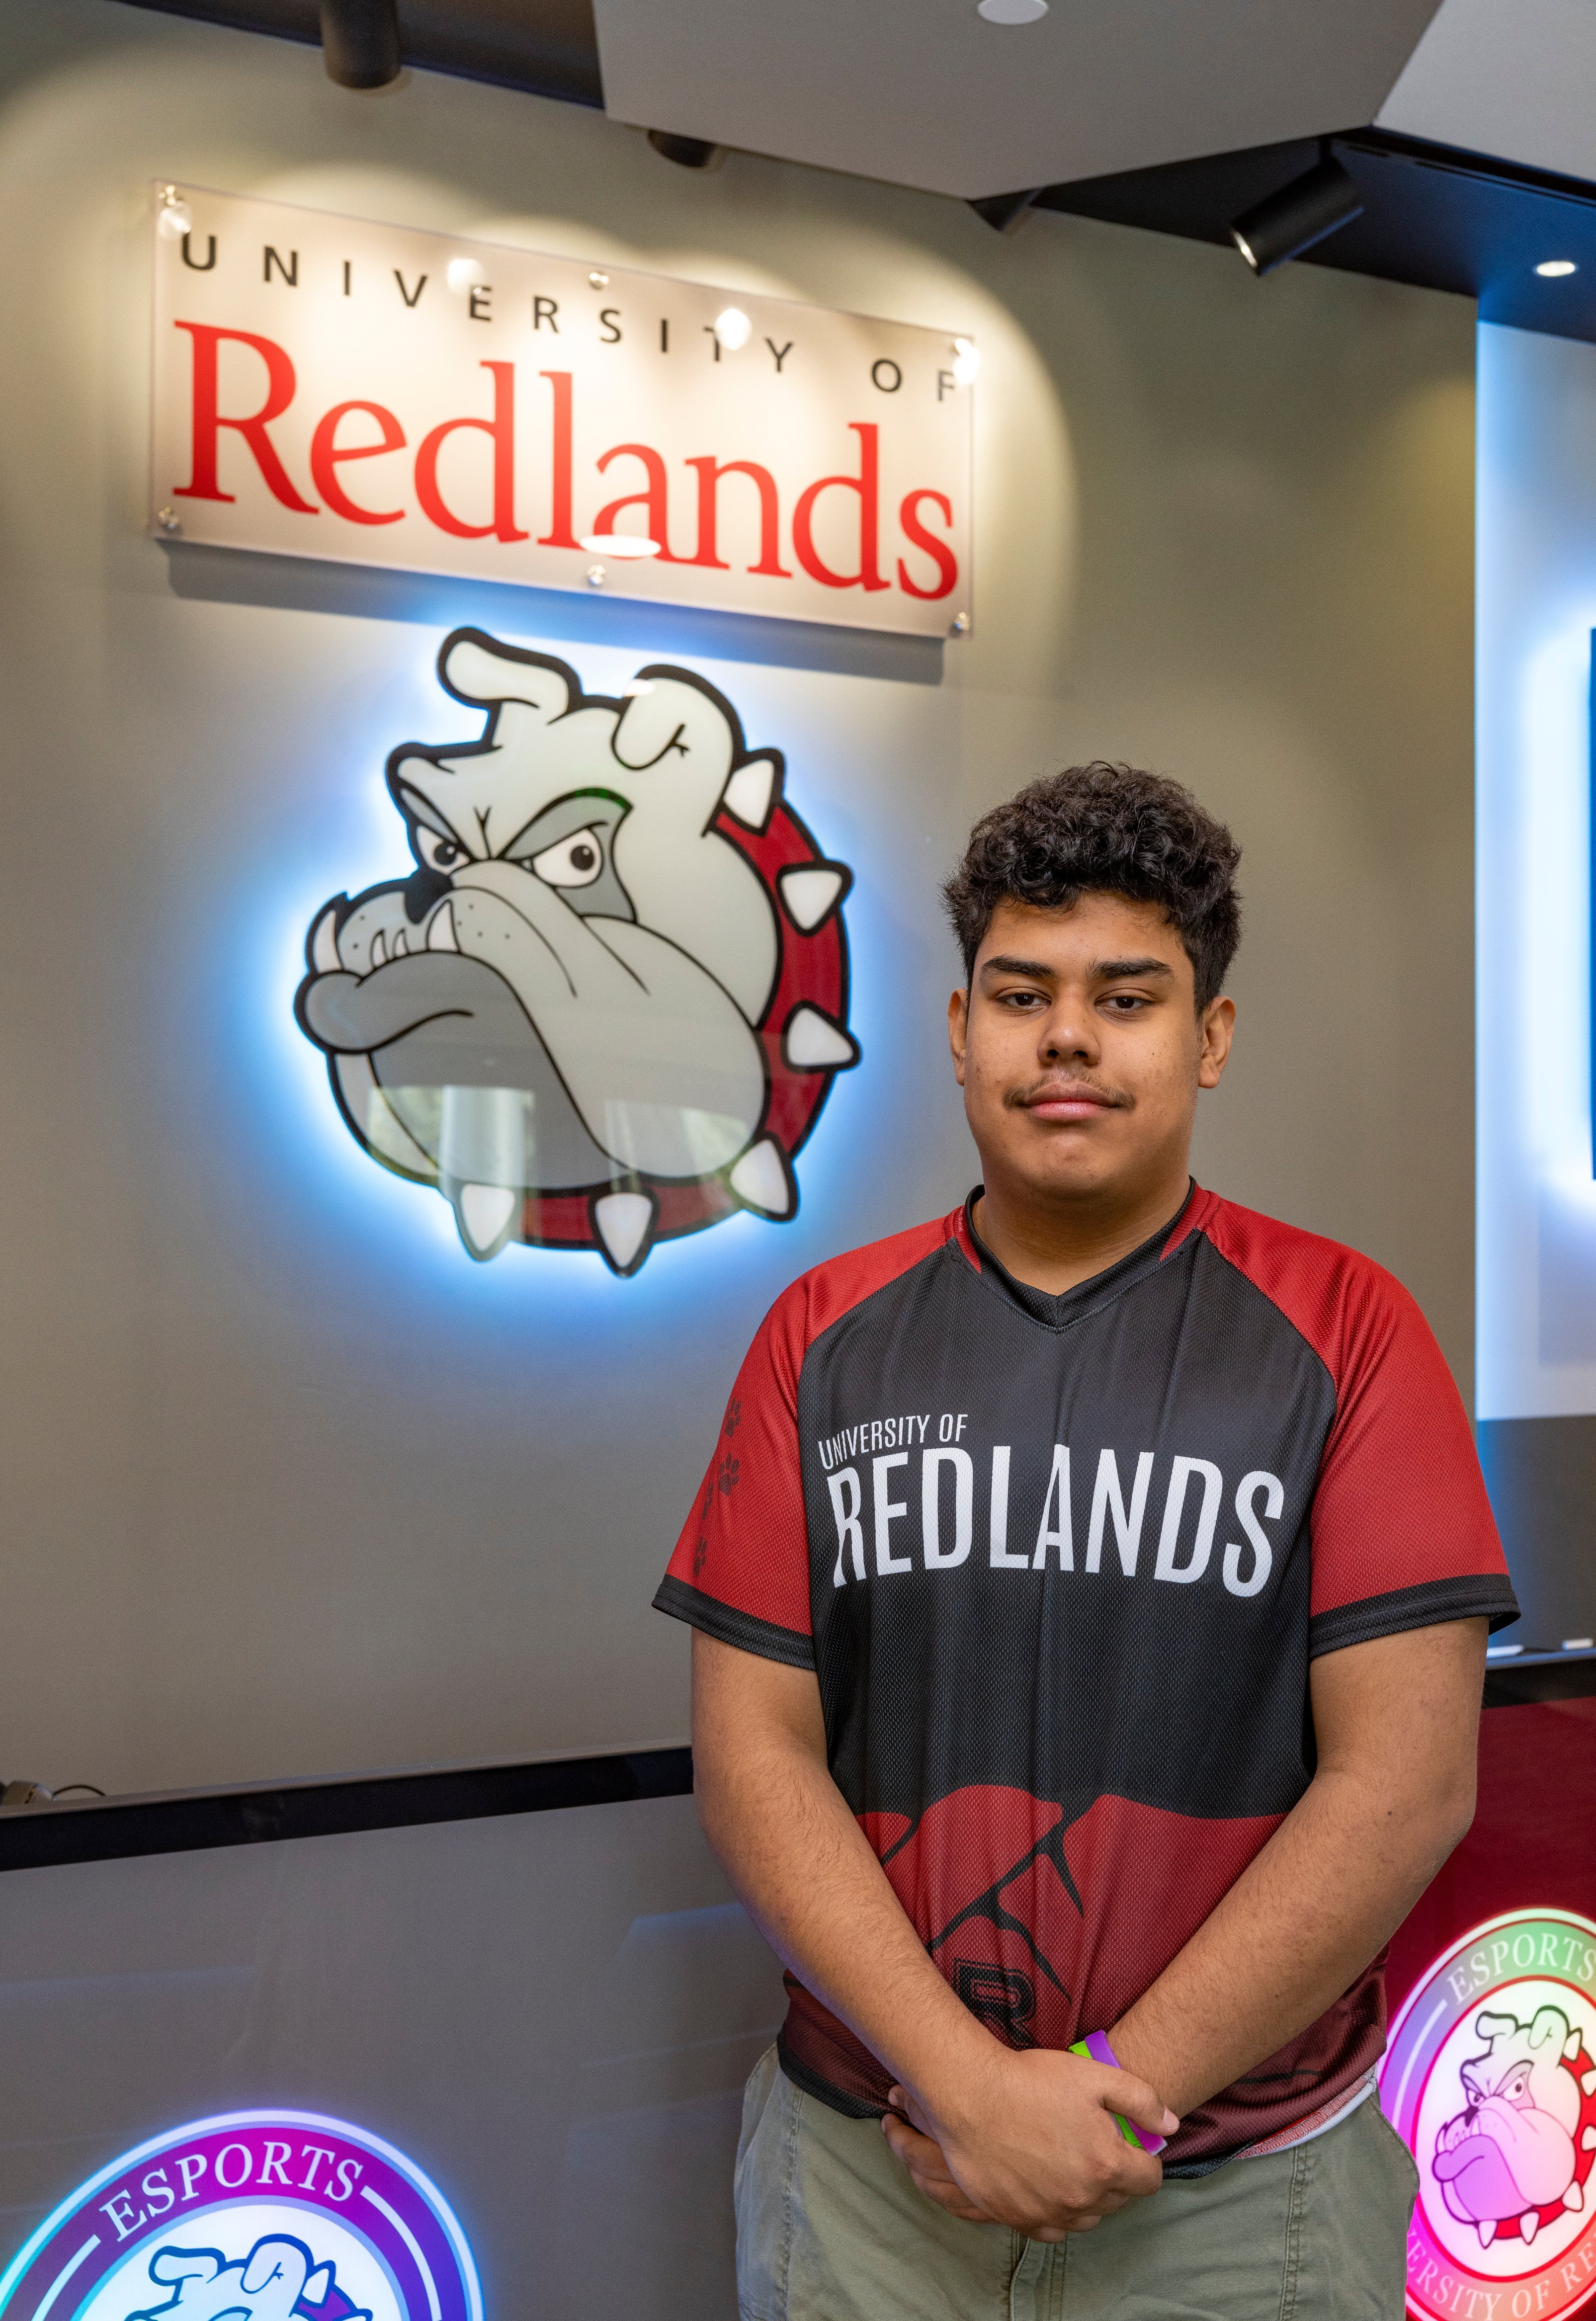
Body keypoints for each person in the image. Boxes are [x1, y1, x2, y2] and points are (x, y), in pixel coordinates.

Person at [654, 762, 1517, 2320]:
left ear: (1209, 1037)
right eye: (1020, 994)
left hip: (1239, 2206)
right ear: (958, 1029)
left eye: (1125, 998)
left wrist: (1115, 2096)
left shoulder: (1347, 1332)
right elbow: (753, 1755)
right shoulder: (821, 1338)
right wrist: (968, 2089)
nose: (1065, 1037)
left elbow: (1404, 1783)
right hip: (873, 2180)